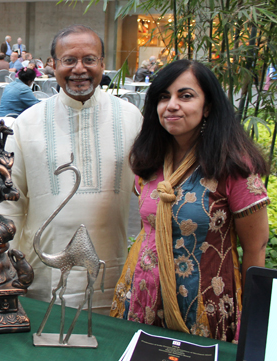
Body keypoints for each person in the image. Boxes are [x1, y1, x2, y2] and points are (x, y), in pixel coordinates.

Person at [110, 60, 270, 342]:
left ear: (207, 106)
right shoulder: (149, 160)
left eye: (185, 96)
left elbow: (255, 249)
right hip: (142, 297)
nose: (171, 105)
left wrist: (253, 320)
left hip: (206, 305)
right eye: (163, 96)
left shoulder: (233, 165)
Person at [0, 25, 142, 314]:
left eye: (89, 59)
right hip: (41, 272)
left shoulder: (131, 118)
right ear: (53, 65)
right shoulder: (28, 122)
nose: (79, 69)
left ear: (102, 64)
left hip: (112, 271)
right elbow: (9, 201)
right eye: (69, 60)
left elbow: (151, 193)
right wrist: (3, 265)